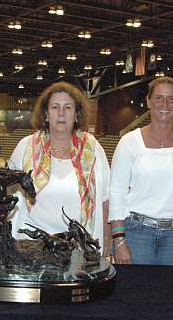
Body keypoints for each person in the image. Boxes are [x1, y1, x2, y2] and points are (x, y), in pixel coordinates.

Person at [109, 76, 173, 265]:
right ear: (148, 101)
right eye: (159, 98)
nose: (165, 104)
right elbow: (117, 193)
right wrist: (119, 241)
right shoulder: (129, 142)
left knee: (171, 293)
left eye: (171, 99)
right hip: (136, 234)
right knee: (138, 293)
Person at [8, 82, 111, 256]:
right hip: (32, 245)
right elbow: (9, 191)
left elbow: (106, 197)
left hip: (79, 246)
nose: (61, 113)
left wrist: (107, 237)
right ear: (46, 114)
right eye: (55, 107)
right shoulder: (26, 147)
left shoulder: (93, 148)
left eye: (68, 107)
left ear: (76, 114)